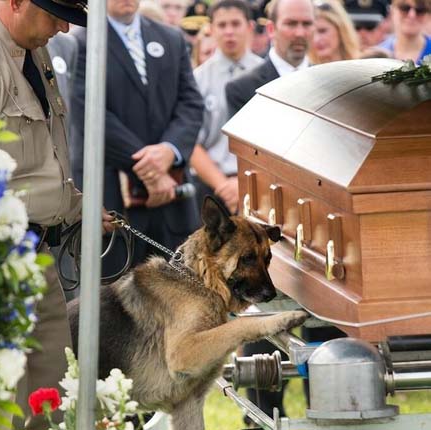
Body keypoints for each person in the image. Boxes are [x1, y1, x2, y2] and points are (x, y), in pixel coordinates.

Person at [0, 1, 114, 428]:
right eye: (55, 13)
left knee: (48, 400)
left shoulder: (26, 42)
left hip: (33, 256)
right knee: (1, 409)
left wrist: (77, 208)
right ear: (15, 2)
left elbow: (31, 164)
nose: (64, 27)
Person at [225, 0, 314, 420]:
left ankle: (328, 407)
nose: (300, 32)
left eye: (307, 24)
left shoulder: (326, 82)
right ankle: (262, 416)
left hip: (318, 232)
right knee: (266, 328)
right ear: (272, 28)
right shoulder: (245, 86)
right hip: (267, 226)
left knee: (324, 330)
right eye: (291, 23)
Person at [70, 0, 203, 277]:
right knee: (116, 305)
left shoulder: (171, 38)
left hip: (172, 199)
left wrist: (169, 150)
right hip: (115, 200)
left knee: (184, 295)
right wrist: (150, 167)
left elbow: (190, 104)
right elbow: (88, 110)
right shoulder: (80, 43)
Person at [191, 0, 263, 215]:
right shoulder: (198, 79)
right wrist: (225, 186)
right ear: (211, 30)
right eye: (222, 25)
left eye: (235, 24)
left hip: (261, 184)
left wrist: (245, 183)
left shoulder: (266, 74)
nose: (229, 32)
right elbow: (192, 143)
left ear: (249, 27)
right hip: (213, 187)